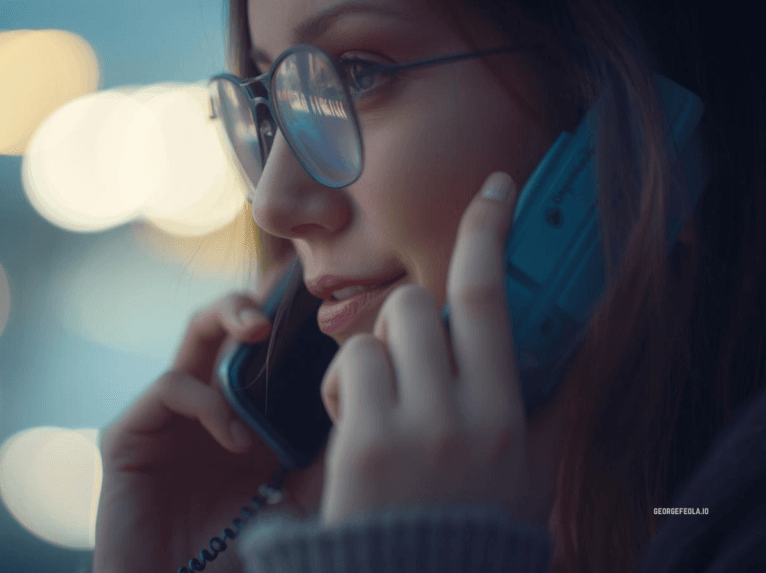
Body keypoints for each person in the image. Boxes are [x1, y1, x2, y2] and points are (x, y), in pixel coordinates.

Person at [92, 0, 766, 571]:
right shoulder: (312, 506)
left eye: (354, 75)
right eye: (270, 98)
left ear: (612, 117)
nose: (269, 203)